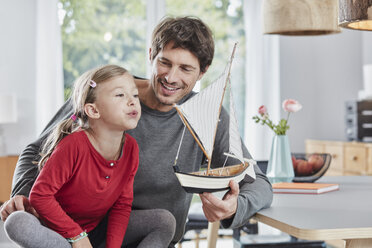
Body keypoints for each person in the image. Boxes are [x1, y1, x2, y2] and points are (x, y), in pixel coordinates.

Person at [1, 16, 273, 247]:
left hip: (149, 236)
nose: (171, 77)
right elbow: (35, 150)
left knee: (163, 222)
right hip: (76, 228)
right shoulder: (108, 95)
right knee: (20, 223)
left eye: (186, 68)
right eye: (165, 62)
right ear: (151, 55)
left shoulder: (209, 118)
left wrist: (234, 207)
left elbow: (259, 183)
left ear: (203, 72)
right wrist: (21, 195)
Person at [3, 65, 176, 248]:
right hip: (58, 232)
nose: (132, 102)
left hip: (96, 230)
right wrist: (76, 236)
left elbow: (122, 206)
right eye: (120, 95)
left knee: (165, 222)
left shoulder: (131, 148)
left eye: (134, 95)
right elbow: (39, 196)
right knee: (17, 222)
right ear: (93, 110)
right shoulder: (73, 145)